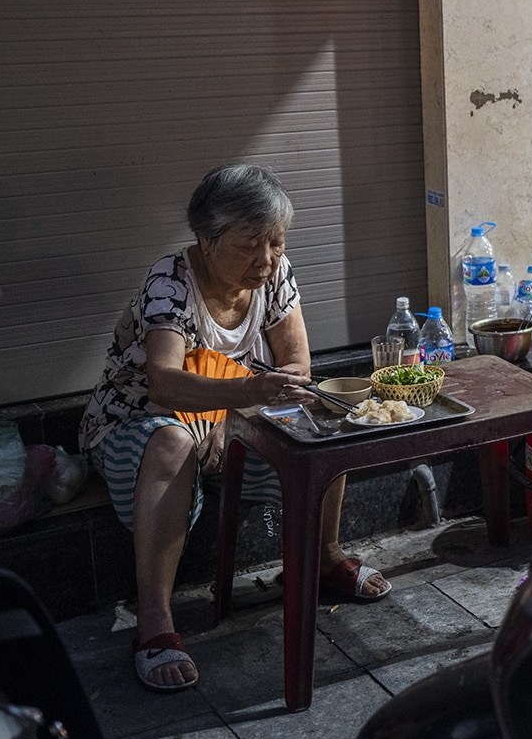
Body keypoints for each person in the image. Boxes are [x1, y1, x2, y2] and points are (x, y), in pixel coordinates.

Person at [79, 163, 392, 693]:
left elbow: (297, 365)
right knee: (174, 441)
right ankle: (155, 623)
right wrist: (243, 398)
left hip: (230, 421)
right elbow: (163, 383)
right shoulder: (170, 282)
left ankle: (325, 558)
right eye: (250, 244)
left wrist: (244, 410)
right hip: (135, 421)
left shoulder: (275, 274)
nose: (266, 259)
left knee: (326, 416)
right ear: (207, 239)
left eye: (275, 241)